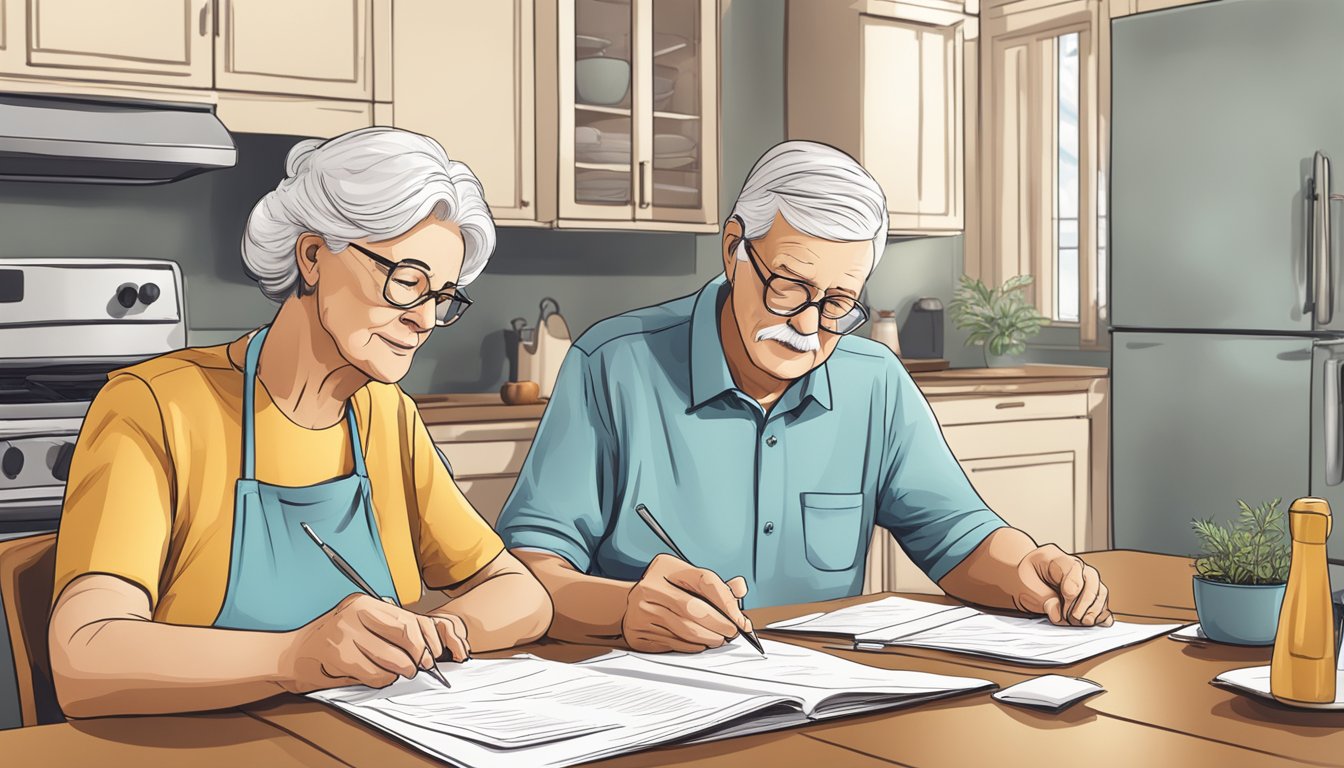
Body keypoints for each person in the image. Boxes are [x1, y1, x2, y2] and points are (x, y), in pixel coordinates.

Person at [497, 140, 1113, 654]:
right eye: (790, 287)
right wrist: (625, 606)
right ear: (734, 247)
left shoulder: (875, 382)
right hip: (648, 698)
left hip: (822, 699)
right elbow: (527, 573)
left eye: (839, 302)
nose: (810, 324)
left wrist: (1029, 571)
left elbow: (957, 537)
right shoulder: (612, 364)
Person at [49, 127, 553, 717]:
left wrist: (437, 632)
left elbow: (521, 594)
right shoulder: (158, 407)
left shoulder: (384, 416)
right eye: (407, 282)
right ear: (312, 256)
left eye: (441, 296)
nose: (422, 319)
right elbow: (82, 656)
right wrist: (294, 658)